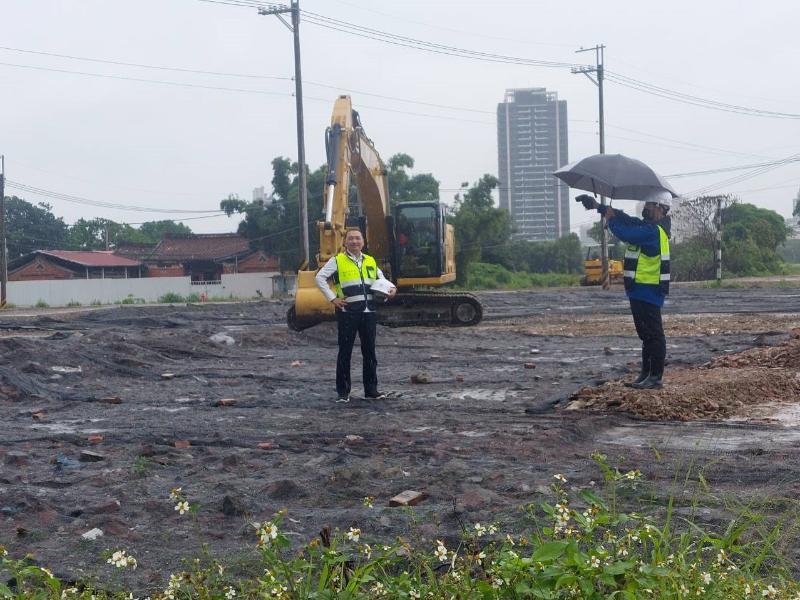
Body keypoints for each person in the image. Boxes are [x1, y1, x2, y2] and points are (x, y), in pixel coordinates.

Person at [577, 190, 672, 389]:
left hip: (650, 290)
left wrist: (611, 220)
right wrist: (599, 207)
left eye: (649, 205)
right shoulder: (647, 226)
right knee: (645, 335)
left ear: (660, 208)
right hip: (638, 289)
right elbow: (627, 219)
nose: (645, 208)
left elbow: (626, 233)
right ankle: (646, 374)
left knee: (654, 334)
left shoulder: (653, 232)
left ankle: (655, 377)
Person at [315, 228, 397, 402]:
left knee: (370, 353)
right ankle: (343, 393)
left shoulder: (370, 260)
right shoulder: (337, 260)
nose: (354, 241)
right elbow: (319, 278)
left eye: (357, 238)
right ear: (345, 242)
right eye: (351, 238)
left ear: (363, 242)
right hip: (348, 313)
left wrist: (392, 289)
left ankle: (371, 391)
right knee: (345, 353)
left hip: (369, 313)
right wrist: (333, 298)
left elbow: (382, 280)